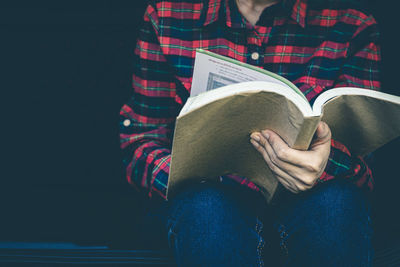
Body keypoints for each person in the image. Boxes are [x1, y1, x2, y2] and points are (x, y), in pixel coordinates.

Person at [120, 0, 380, 265]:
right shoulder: (168, 15)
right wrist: (187, 171)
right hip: (207, 201)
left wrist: (325, 164)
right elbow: (142, 140)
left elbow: (366, 159)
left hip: (312, 200)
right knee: (206, 210)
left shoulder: (352, 23)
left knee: (336, 205)